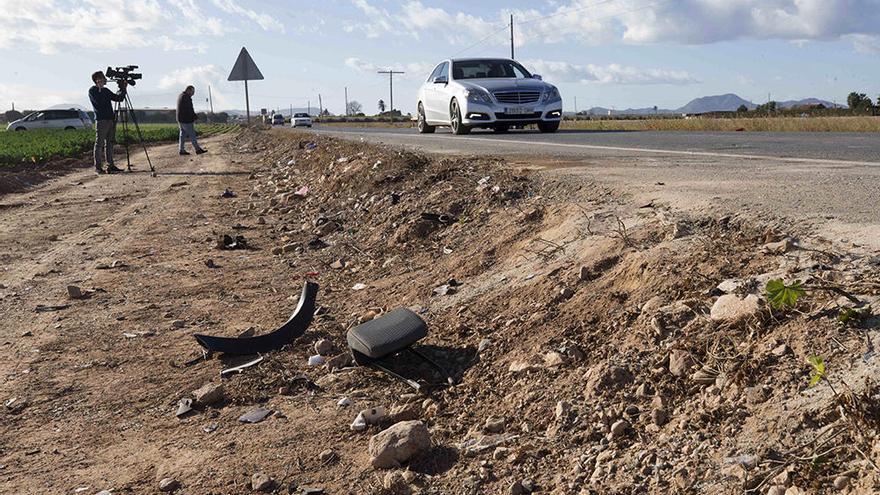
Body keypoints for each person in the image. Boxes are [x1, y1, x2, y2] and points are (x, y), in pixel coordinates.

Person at [88, 71, 126, 174]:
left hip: (110, 119)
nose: (105, 79)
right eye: (102, 78)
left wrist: (123, 88)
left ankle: (111, 166)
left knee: (110, 143)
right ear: (97, 80)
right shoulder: (93, 91)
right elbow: (98, 102)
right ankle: (98, 167)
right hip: (101, 120)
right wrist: (100, 88)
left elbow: (118, 98)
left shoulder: (106, 90)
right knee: (99, 144)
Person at [176, 85, 206, 155]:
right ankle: (198, 149)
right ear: (188, 90)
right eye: (193, 91)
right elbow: (190, 109)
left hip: (180, 119)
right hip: (186, 120)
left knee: (182, 135)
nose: (193, 93)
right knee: (192, 134)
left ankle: (181, 150)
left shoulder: (180, 95)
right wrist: (195, 118)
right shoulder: (187, 97)